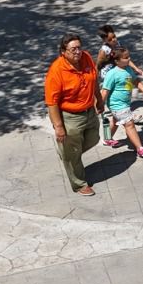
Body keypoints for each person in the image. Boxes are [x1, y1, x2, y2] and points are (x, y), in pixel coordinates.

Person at [46, 33, 101, 195]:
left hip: (89, 111)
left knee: (93, 138)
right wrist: (58, 127)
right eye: (73, 49)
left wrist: (99, 99)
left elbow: (93, 79)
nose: (78, 52)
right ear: (63, 52)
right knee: (73, 152)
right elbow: (52, 102)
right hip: (70, 116)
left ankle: (67, 154)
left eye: (79, 47)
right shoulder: (56, 71)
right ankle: (80, 184)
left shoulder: (87, 57)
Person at [100, 47, 143, 158]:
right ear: (117, 61)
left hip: (125, 103)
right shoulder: (112, 74)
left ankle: (107, 139)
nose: (129, 59)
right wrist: (99, 106)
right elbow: (105, 91)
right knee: (129, 124)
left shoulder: (128, 70)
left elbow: (136, 81)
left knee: (115, 120)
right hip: (116, 104)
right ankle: (140, 148)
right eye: (126, 57)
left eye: (129, 56)